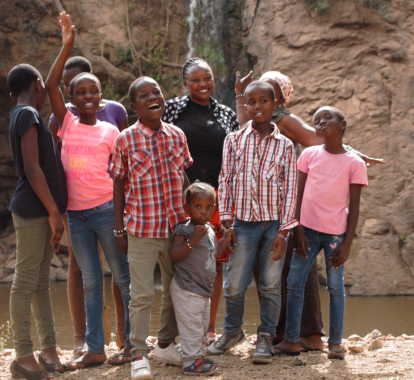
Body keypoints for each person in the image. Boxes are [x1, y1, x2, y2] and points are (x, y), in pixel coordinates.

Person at [235, 70, 385, 350]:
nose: (260, 101)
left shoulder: (283, 119)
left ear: (279, 98)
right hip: (264, 205)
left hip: (287, 204)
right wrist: (237, 94)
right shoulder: (256, 121)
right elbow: (241, 127)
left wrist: (355, 153)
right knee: (273, 270)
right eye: (253, 96)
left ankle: (310, 334)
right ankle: (282, 333)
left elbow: (323, 140)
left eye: (268, 93)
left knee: (294, 267)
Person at [44, 11, 132, 369]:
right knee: (92, 283)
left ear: (101, 95)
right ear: (71, 97)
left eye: (93, 91)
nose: (87, 96)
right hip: (76, 217)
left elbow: (122, 178)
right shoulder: (64, 122)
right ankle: (95, 348)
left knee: (124, 277)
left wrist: (121, 218)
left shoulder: (112, 132)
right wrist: (66, 47)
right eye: (80, 92)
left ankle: (133, 344)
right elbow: (50, 85)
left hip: (106, 211)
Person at [206, 81, 297, 365]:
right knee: (234, 283)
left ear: (275, 105)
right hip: (242, 224)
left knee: (270, 284)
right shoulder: (233, 140)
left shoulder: (285, 146)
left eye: (263, 101)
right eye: (251, 102)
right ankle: (232, 332)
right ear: (245, 106)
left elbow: (291, 189)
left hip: (274, 225)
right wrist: (227, 222)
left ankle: (266, 336)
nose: (257, 107)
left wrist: (284, 232)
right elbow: (226, 180)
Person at [110, 76, 193, 380]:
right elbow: (118, 186)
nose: (152, 97)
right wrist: (119, 230)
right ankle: (138, 355)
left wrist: (193, 221)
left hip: (174, 229)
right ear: (134, 107)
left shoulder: (177, 135)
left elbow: (183, 178)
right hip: (142, 230)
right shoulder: (125, 140)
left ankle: (165, 344)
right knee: (142, 294)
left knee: (175, 290)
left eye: (156, 92)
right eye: (143, 96)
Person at [274, 106, 367, 360]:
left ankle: (335, 342)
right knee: (294, 282)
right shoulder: (308, 155)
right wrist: (298, 229)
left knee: (336, 287)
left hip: (335, 235)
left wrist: (348, 243)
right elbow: (298, 195)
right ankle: (291, 340)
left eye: (328, 118)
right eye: (317, 121)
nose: (322, 122)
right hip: (307, 231)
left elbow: (355, 206)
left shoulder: (355, 163)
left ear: (343, 125)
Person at [162, 57, 239, 345]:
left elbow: (234, 158)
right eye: (195, 79)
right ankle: (176, 330)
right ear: (185, 83)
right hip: (180, 201)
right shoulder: (172, 109)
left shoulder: (226, 113)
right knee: (178, 259)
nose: (202, 84)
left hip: (215, 201)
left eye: (206, 78)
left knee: (214, 262)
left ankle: (208, 327)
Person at [6, 61, 68, 379]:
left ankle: (49, 349)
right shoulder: (27, 114)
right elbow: (32, 169)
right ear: (38, 84)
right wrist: (54, 212)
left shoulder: (24, 115)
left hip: (41, 210)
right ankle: (22, 355)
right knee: (25, 282)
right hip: (33, 210)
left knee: (41, 283)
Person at [169, 182, 234, 376]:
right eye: (198, 207)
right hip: (187, 288)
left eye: (208, 207)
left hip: (203, 290)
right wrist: (192, 242)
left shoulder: (211, 230)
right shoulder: (185, 230)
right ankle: (190, 363)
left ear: (214, 208)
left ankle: (197, 356)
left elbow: (213, 255)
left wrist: (226, 239)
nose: (203, 212)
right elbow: (174, 254)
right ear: (187, 207)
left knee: (201, 326)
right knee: (191, 327)